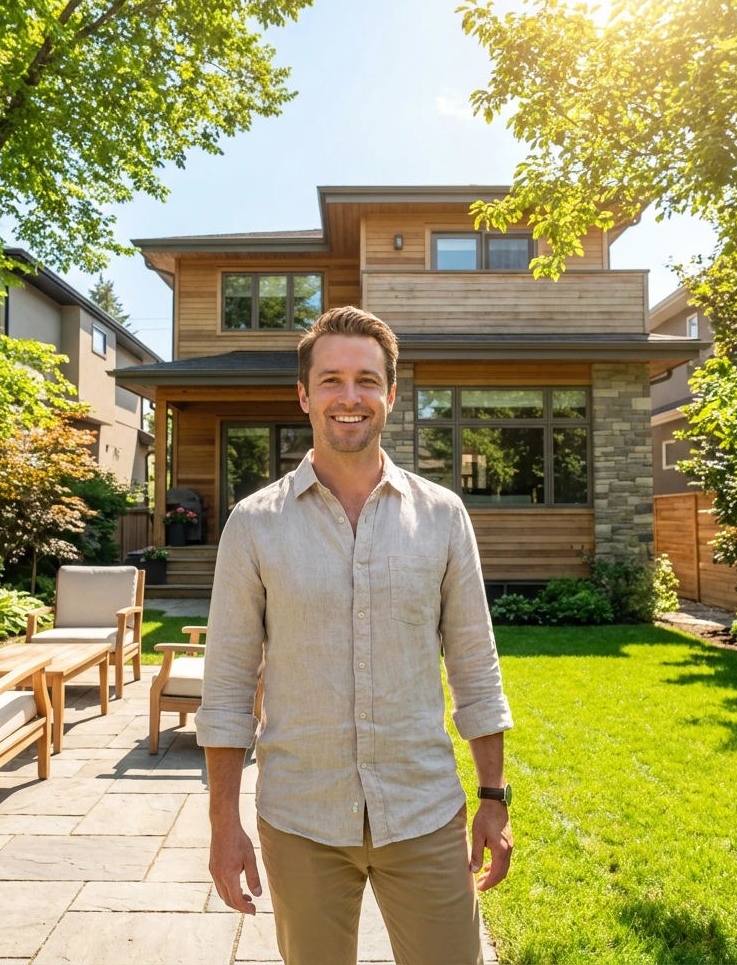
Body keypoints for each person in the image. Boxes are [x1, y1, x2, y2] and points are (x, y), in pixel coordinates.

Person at [196, 306, 513, 965]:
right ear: (304, 395)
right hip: (301, 819)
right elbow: (226, 690)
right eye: (332, 379)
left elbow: (477, 669)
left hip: (424, 812)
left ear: (391, 395)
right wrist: (223, 823)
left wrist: (493, 799)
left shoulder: (443, 517)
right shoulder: (253, 525)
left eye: (367, 380)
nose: (350, 397)